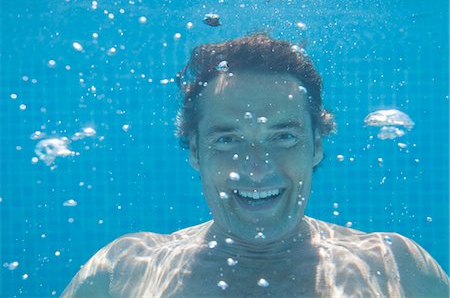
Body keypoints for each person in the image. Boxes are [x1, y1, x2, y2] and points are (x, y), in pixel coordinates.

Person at [62, 33, 449, 297]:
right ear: (195, 151)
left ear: (316, 146)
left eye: (283, 136)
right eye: (227, 139)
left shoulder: (397, 268)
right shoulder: (120, 273)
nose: (257, 168)